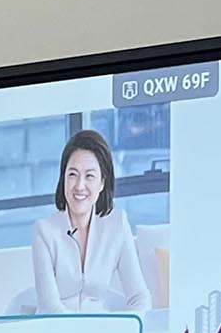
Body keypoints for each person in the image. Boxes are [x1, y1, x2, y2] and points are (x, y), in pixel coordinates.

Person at [29, 129, 151, 314]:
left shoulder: (117, 224)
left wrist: (123, 330)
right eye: (72, 174)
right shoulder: (44, 231)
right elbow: (50, 307)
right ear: (63, 179)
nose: (79, 186)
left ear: (102, 182)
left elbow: (140, 297)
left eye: (89, 176)